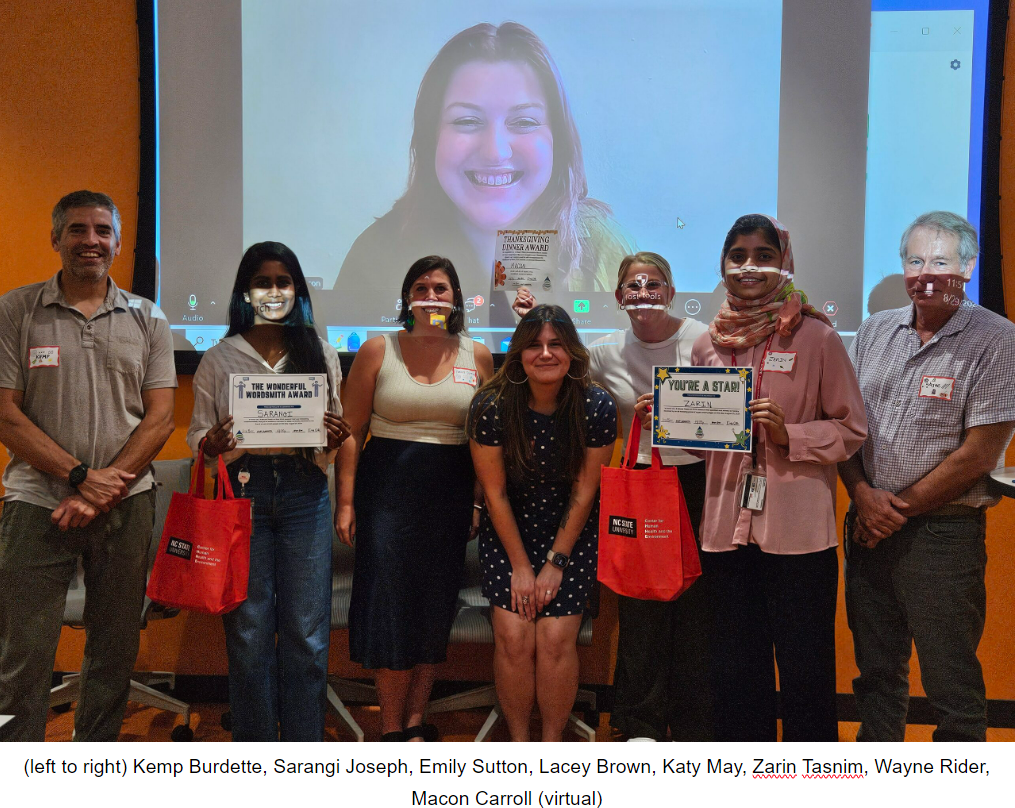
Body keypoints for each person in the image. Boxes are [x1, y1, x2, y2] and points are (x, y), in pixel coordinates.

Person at [0, 191, 177, 741]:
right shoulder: (15, 310)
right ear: (56, 239)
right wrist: (80, 478)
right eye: (77, 230)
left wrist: (103, 488)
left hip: (125, 501)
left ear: (119, 243)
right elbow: (5, 414)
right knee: (22, 650)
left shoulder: (149, 317)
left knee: (115, 645)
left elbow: (161, 417)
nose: (90, 241)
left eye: (102, 230)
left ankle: (92, 764)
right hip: (36, 502)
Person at [514, 253, 712, 740]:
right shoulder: (604, 353)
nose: (643, 293)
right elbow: (558, 361)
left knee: (697, 610)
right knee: (642, 608)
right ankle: (640, 724)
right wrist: (533, 318)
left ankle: (691, 726)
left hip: (701, 484)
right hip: (640, 485)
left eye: (653, 284)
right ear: (619, 296)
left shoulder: (703, 339)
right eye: (632, 286)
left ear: (670, 289)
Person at [687, 214, 867, 742]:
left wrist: (791, 436)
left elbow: (851, 428)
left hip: (798, 534)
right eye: (738, 256)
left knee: (806, 670)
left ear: (783, 263)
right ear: (723, 265)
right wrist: (675, 421)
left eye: (763, 256)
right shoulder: (707, 344)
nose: (749, 267)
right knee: (734, 670)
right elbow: (704, 447)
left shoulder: (817, 338)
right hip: (725, 530)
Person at [839, 211, 1015, 742]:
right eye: (915, 261)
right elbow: (842, 424)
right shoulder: (873, 330)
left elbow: (979, 454)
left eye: (940, 261)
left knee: (950, 681)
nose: (926, 273)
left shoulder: (996, 338)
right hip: (867, 523)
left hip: (943, 534)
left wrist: (891, 511)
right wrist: (863, 497)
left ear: (967, 266)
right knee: (876, 675)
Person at [333, 22, 631, 325]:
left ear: (559, 138)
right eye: (467, 121)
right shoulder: (374, 254)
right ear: (431, 137)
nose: (495, 151)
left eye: (525, 121)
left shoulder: (602, 246)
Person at [187, 241, 350, 741]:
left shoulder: (319, 352)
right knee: (250, 630)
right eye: (263, 282)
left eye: (284, 282)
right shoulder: (219, 357)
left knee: (306, 632)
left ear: (297, 291)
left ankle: (302, 748)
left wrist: (334, 435)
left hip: (306, 493)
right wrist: (211, 443)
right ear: (245, 291)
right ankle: (257, 749)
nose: (274, 291)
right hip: (244, 494)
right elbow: (197, 433)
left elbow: (332, 430)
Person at [336, 255, 494, 741]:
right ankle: (388, 729)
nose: (431, 296)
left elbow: (485, 439)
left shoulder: (479, 355)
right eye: (421, 287)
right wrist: (345, 502)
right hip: (386, 492)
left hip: (449, 495)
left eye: (441, 288)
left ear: (456, 299)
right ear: (407, 297)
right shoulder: (378, 350)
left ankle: (415, 721)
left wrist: (475, 502)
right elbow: (349, 431)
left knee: (432, 606)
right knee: (390, 606)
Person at [467, 305, 617, 741]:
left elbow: (586, 491)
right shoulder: (491, 405)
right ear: (518, 354)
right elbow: (493, 493)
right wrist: (520, 566)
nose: (546, 353)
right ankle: (520, 746)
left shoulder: (596, 404)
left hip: (570, 533)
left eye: (556, 344)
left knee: (554, 642)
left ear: (571, 351)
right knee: (514, 639)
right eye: (534, 344)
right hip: (509, 529)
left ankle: (550, 747)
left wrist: (554, 562)